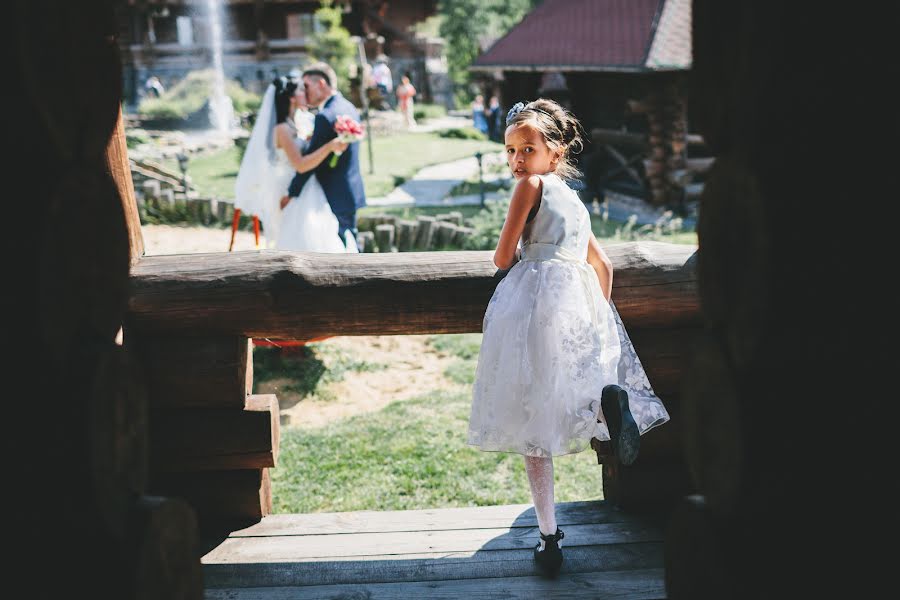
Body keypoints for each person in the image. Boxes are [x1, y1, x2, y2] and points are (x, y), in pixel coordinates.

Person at [467, 99, 670, 578]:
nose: (518, 160)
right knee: (575, 392)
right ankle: (606, 406)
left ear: (553, 153)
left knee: (533, 420)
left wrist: (519, 249)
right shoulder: (572, 198)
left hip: (535, 301)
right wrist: (598, 314)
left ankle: (548, 537)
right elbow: (605, 264)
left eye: (527, 149)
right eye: (510, 151)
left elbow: (501, 258)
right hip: (580, 302)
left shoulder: (530, 187)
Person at [233, 75, 349, 251]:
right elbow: (300, 164)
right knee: (303, 238)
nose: (306, 94)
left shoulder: (296, 123)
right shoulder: (282, 129)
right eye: (302, 90)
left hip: (307, 187)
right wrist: (330, 147)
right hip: (291, 189)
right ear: (292, 98)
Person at [287, 62, 367, 251]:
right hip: (350, 190)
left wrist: (291, 193)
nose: (304, 92)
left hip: (332, 195)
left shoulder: (325, 116)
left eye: (307, 86)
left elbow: (310, 162)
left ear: (321, 83)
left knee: (340, 250)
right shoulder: (348, 107)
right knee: (350, 244)